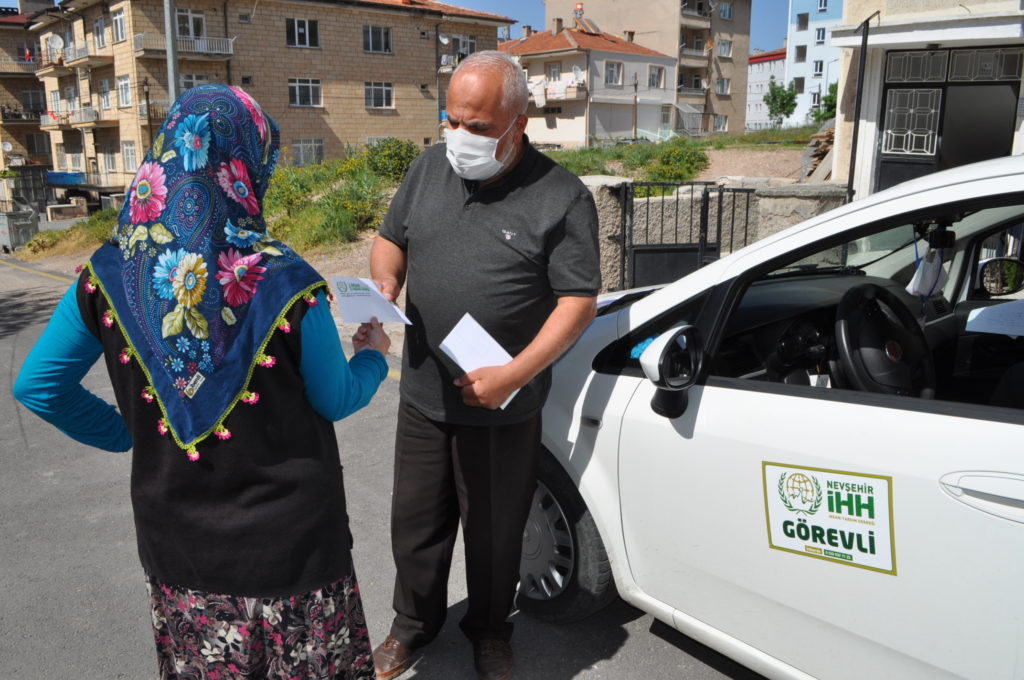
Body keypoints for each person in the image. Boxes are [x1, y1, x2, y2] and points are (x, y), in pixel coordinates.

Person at [13, 84, 391, 680]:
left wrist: (130, 433)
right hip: (292, 548)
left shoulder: (105, 275)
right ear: (245, 166)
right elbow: (337, 397)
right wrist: (373, 357)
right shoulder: (285, 279)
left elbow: (38, 386)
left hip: (178, 549)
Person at [369, 51, 601, 680]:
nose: (460, 137)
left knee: (496, 533)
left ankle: (492, 630)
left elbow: (578, 302)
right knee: (416, 525)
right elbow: (390, 238)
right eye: (452, 121)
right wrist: (386, 281)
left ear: (518, 123)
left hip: (503, 404)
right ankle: (412, 626)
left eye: (478, 126)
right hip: (425, 393)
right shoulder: (428, 167)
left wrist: (515, 373)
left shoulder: (561, 197)